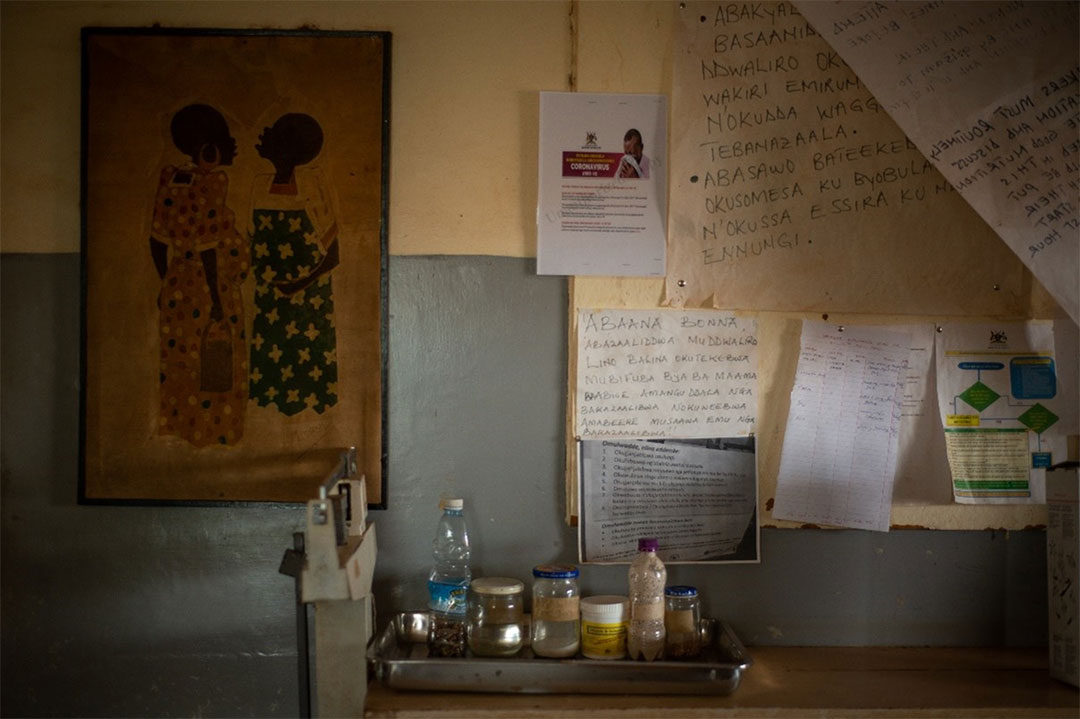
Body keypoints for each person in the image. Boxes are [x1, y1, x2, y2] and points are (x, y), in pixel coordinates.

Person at [148, 103, 249, 447]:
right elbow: (208, 247)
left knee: (182, 362)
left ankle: (184, 429)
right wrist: (217, 300)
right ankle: (215, 431)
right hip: (210, 288)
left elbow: (157, 241)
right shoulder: (209, 185)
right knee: (215, 362)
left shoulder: (171, 179)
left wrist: (167, 281)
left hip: (178, 285)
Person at [247, 113, 340, 416]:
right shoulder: (259, 186)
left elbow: (333, 253)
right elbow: (251, 243)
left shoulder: (314, 185)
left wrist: (298, 285)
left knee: (307, 378)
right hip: (269, 303)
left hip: (307, 304)